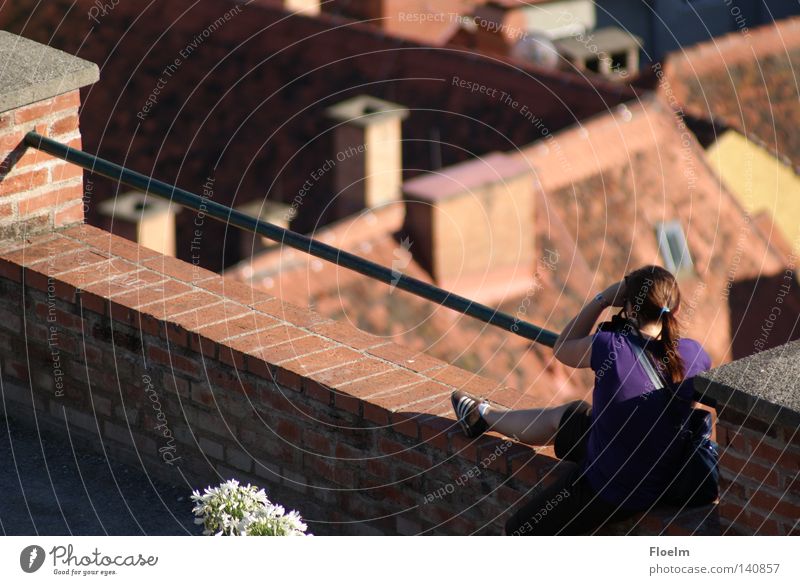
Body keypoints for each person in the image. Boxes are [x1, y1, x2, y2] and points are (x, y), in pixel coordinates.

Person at [450, 265, 712, 535]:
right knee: (569, 415)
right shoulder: (695, 355)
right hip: (658, 471)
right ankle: (482, 416)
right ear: (676, 310)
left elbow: (562, 347)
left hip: (614, 486)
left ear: (630, 307)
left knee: (515, 531)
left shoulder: (609, 345)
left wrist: (602, 299)